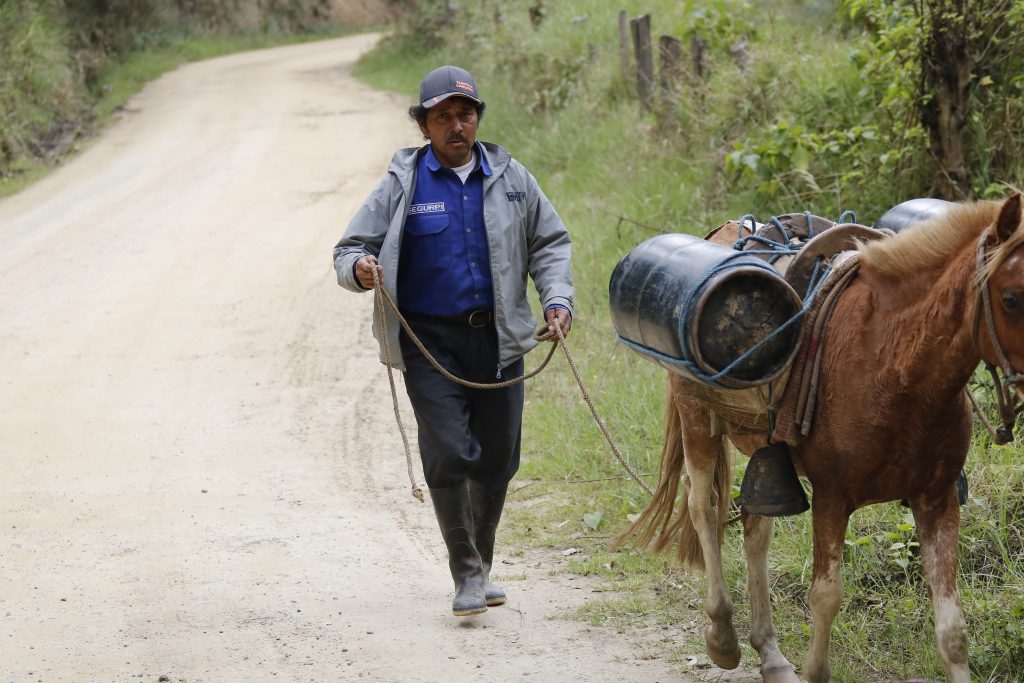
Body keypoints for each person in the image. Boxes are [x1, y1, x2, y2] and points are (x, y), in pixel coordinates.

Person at [332, 65, 574, 617]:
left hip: (500, 340)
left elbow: (551, 244)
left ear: (476, 119)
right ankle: (464, 572)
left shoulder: (512, 180)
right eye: (442, 117)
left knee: (496, 459)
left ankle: (482, 564)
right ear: (424, 126)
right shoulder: (402, 184)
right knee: (448, 452)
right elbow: (349, 248)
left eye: (465, 114)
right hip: (430, 343)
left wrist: (558, 300)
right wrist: (361, 269)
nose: (456, 125)